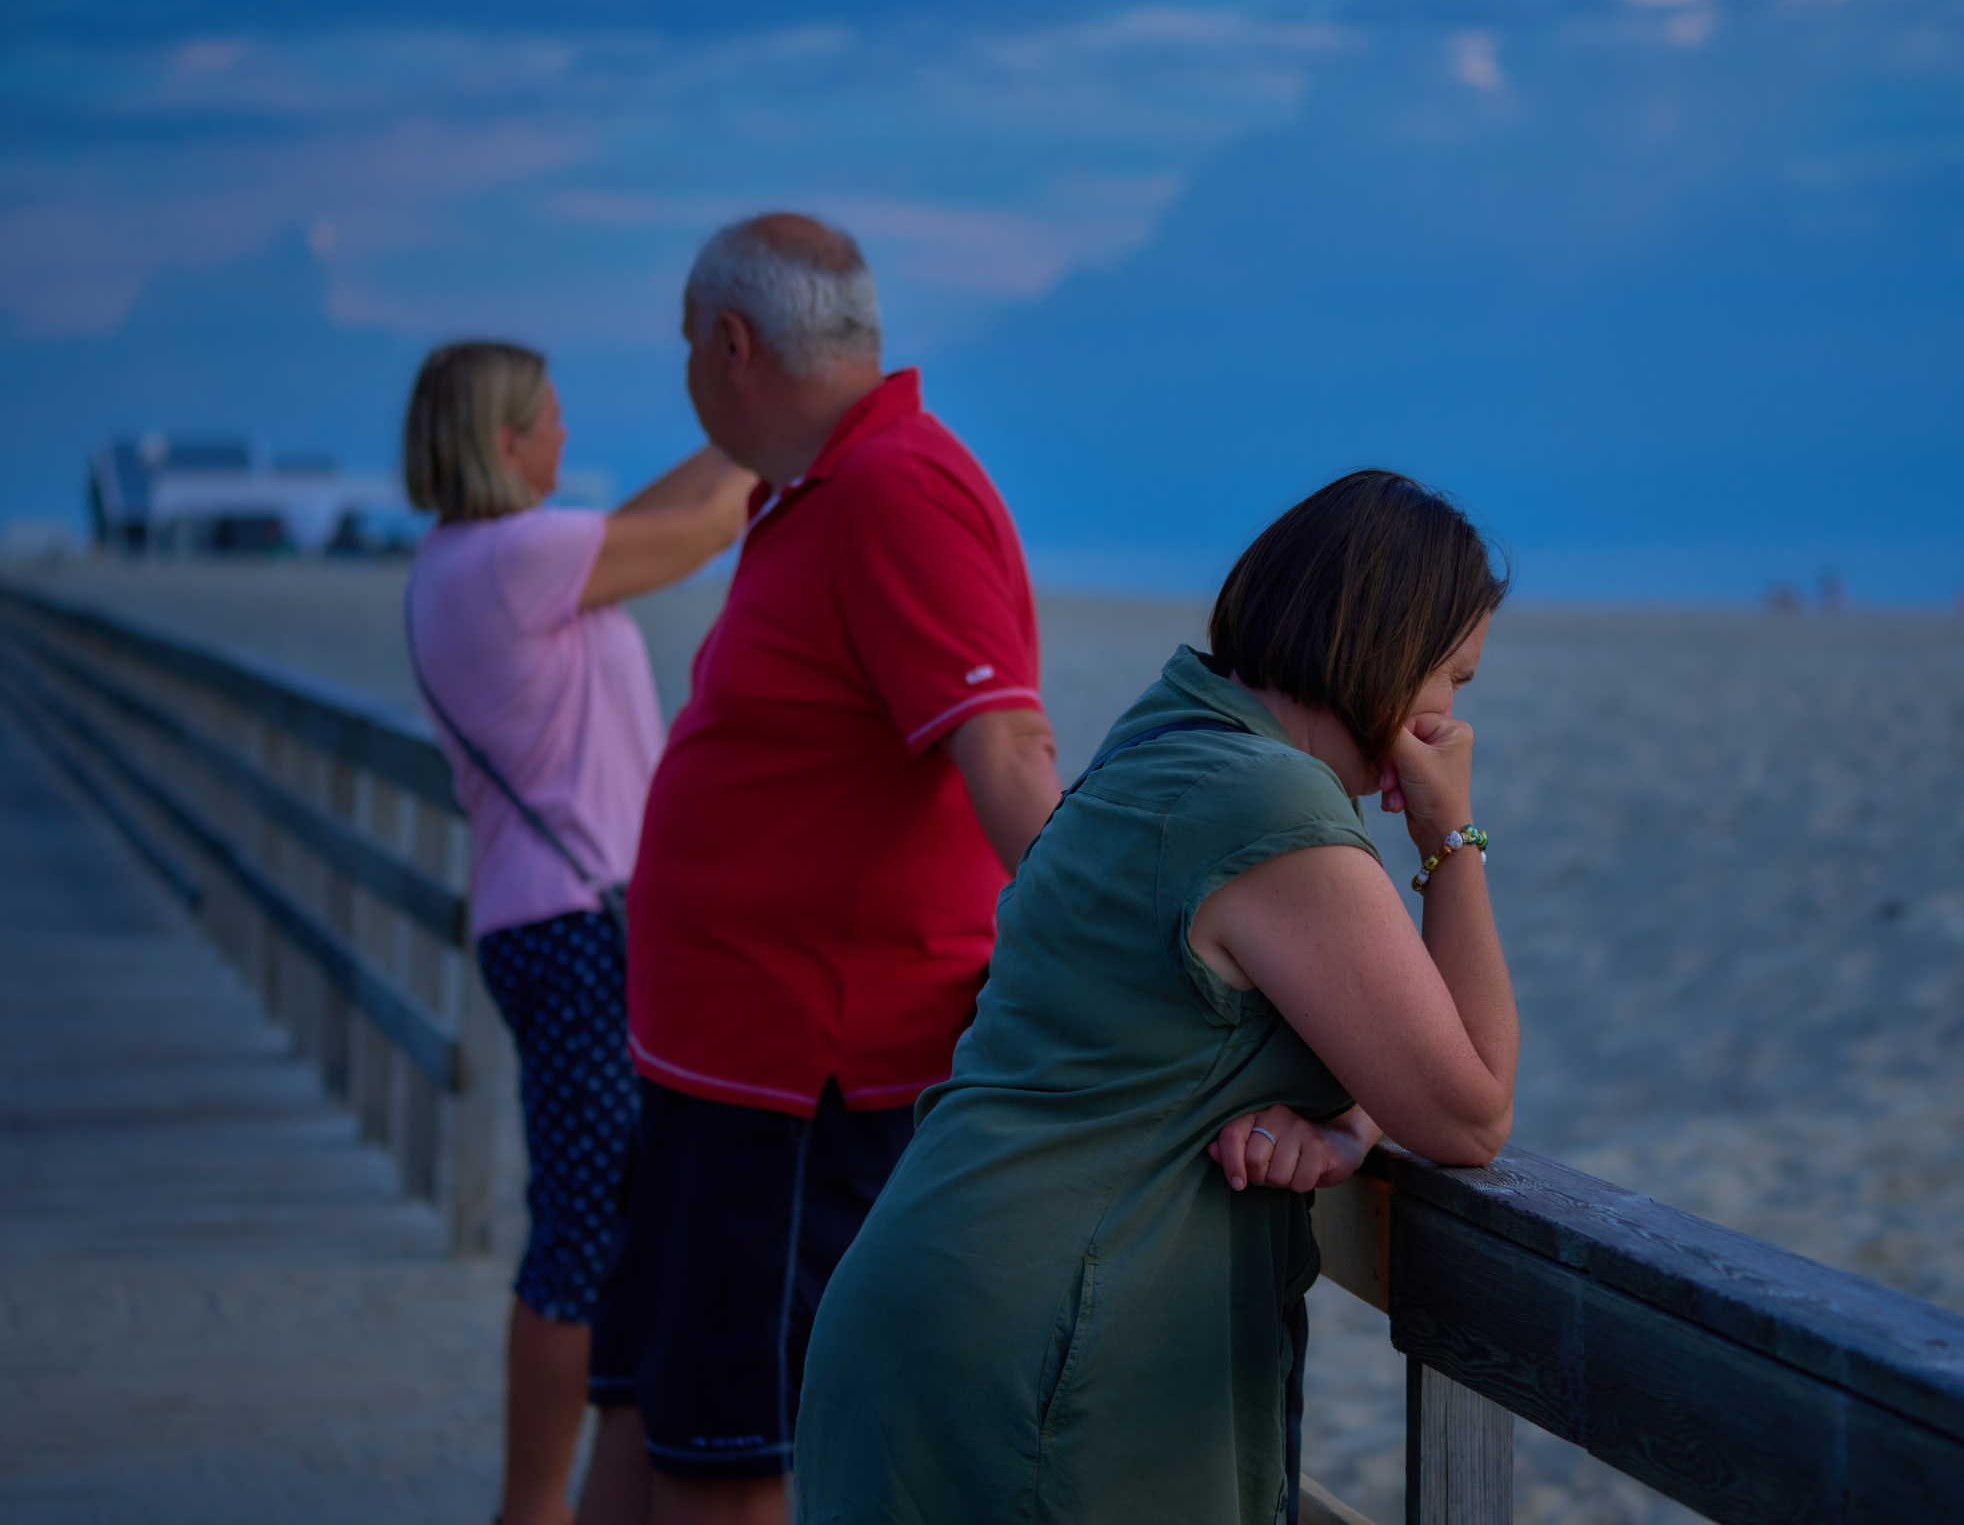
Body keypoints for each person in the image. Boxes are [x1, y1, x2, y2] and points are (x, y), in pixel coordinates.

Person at [794, 469, 1518, 1525]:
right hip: (1036, 1349)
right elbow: (1470, 1110)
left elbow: (1245, 1036)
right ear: (1387, 648)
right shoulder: (1268, 807)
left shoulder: (1162, 744)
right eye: (1453, 676)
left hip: (933, 1297)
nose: (1452, 715)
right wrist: (1450, 840)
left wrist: (1350, 1119)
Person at [601, 214, 1063, 1525]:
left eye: (692, 346)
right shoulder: (818, 486)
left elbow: (1011, 751)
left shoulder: (896, 487)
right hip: (717, 1062)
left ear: (734, 344)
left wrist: (1133, 959)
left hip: (799, 1079)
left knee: (732, 1450)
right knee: (652, 1401)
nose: (689, 371)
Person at [400, 341, 755, 1525]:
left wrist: (755, 412)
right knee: (578, 1230)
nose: (565, 436)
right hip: (576, 933)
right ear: (505, 443)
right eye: (548, 421)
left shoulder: (465, 559)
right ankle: (530, 1509)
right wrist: (801, 426)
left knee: (596, 1213)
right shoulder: (519, 559)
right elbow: (703, 533)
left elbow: (649, 512)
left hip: (542, 924)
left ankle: (563, 1492)